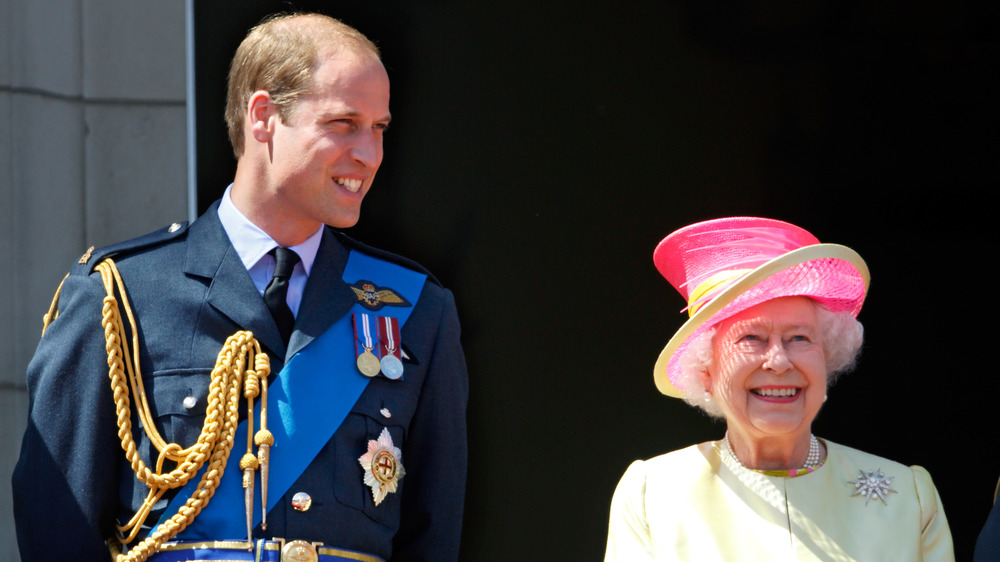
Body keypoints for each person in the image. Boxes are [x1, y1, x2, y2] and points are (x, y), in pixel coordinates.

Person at [12, 12, 468, 562]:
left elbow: (433, 535)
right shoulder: (117, 297)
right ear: (263, 116)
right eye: (344, 122)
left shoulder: (417, 310)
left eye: (379, 128)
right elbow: (56, 529)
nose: (369, 155)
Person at [604, 217, 953, 561]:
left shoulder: (908, 496)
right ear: (705, 370)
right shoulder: (653, 493)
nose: (779, 361)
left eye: (799, 338)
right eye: (751, 338)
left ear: (826, 362)